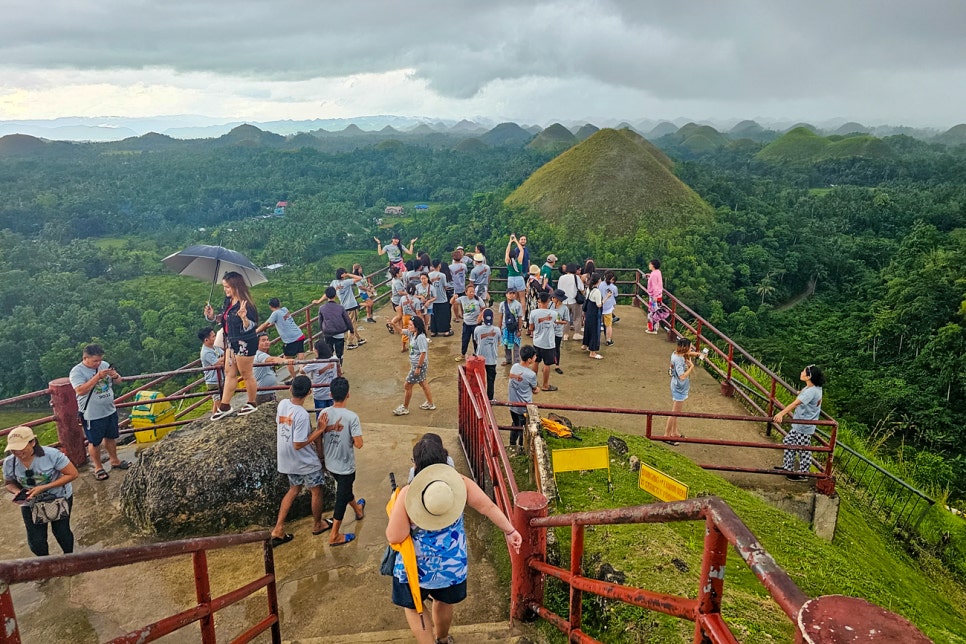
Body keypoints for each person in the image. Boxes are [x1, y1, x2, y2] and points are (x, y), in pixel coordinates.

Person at [387, 438, 522, 644]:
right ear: (445, 458)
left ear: (416, 464)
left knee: (414, 608)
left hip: (415, 568)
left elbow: (395, 536)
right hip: (451, 566)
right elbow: (488, 507)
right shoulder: (460, 483)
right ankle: (442, 639)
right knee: (443, 601)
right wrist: (510, 531)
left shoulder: (408, 494)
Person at [269, 376, 333, 547]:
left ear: (291, 389)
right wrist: (320, 430)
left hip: (286, 458)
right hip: (303, 460)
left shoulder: (283, 405)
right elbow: (298, 443)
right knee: (316, 491)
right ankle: (318, 524)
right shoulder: (302, 414)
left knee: (294, 489)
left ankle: (278, 528)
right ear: (309, 392)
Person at [4, 427, 79, 557]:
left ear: (32, 442)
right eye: (13, 449)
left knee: (61, 531)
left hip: (58, 496)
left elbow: (72, 474)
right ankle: (44, 563)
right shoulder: (10, 462)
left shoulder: (52, 455)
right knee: (35, 539)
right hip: (30, 501)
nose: (17, 452)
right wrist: (17, 492)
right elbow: (9, 483)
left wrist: (43, 487)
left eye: (20, 447)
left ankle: (69, 558)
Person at [68, 343, 131, 479]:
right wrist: (97, 377)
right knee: (94, 441)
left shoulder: (104, 365)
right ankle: (98, 467)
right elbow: (80, 390)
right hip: (92, 414)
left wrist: (114, 376)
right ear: (85, 358)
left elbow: (119, 381)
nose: (99, 363)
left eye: (100, 360)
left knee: (111, 437)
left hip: (109, 409)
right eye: (95, 361)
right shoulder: (77, 372)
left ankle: (115, 460)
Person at [206, 271, 260, 420]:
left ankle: (252, 402)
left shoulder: (246, 305)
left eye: (228, 287)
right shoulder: (228, 301)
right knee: (230, 373)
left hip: (245, 343)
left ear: (236, 286)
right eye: (224, 287)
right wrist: (212, 317)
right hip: (231, 342)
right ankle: (225, 405)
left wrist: (244, 318)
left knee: (246, 373)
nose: (226, 290)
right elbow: (225, 320)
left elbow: (252, 326)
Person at [321, 376, 366, 546]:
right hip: (346, 465)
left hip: (330, 462)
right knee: (341, 497)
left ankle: (358, 510)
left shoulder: (324, 413)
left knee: (344, 490)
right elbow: (359, 444)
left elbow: (320, 434)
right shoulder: (351, 417)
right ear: (348, 395)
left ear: (331, 394)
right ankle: (334, 535)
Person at [774, 365, 826, 481]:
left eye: (804, 371)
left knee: (803, 449)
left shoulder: (811, 392)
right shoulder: (814, 388)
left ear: (809, 377)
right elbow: (803, 393)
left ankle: (803, 473)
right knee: (788, 441)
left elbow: (795, 404)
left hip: (804, 425)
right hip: (801, 424)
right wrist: (799, 392)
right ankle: (788, 467)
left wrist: (781, 414)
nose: (801, 372)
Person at [664, 338, 703, 445]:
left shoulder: (675, 354)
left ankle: (674, 432)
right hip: (679, 387)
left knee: (676, 413)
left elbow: (688, 354)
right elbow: (682, 376)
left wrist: (698, 355)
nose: (691, 349)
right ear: (685, 348)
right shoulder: (679, 360)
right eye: (690, 347)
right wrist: (691, 367)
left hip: (676, 385)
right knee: (674, 413)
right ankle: (667, 435)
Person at [256, 298, 306, 382]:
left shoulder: (275, 313)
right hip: (299, 334)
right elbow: (283, 319)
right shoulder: (284, 309)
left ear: (270, 307)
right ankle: (303, 376)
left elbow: (265, 324)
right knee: (300, 356)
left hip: (290, 339)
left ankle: (295, 379)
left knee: (286, 360)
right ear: (279, 303)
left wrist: (256, 331)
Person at [394, 317, 435, 415]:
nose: (409, 326)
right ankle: (430, 403)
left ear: (416, 326)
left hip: (418, 365)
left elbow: (423, 353)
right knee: (423, 383)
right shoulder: (412, 333)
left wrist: (418, 367)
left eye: (411, 325)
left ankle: (405, 407)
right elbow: (400, 331)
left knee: (407, 385)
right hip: (417, 365)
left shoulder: (420, 337)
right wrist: (393, 324)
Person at [323, 268, 366, 350]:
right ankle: (349, 343)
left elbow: (327, 293)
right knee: (352, 324)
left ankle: (359, 339)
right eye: (344, 273)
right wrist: (348, 274)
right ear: (342, 274)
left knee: (351, 323)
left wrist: (319, 301)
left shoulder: (334, 283)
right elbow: (360, 278)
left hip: (344, 307)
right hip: (351, 306)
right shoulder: (346, 282)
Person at [508, 346, 539, 450]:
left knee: (515, 424)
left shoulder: (514, 367)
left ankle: (512, 444)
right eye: (534, 356)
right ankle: (521, 447)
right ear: (530, 359)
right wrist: (537, 390)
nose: (536, 357)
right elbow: (535, 388)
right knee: (524, 429)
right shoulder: (531, 374)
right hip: (524, 408)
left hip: (513, 406)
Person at [253, 333, 296, 405]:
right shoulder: (259, 354)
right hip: (263, 393)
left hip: (268, 391)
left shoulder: (262, 354)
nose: (266, 342)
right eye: (263, 340)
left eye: (267, 340)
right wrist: (286, 361)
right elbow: (272, 359)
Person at [301, 339, 340, 417]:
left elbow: (302, 371)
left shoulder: (314, 363)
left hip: (319, 394)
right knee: (333, 416)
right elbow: (339, 371)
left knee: (321, 416)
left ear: (317, 350)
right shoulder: (334, 358)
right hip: (332, 392)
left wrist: (301, 365)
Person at [529, 292, 559, 391]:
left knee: (536, 362)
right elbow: (556, 322)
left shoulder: (533, 313)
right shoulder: (554, 313)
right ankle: (545, 385)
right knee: (547, 365)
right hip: (548, 343)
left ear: (539, 301)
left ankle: (534, 383)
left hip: (537, 341)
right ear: (548, 301)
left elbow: (530, 328)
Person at [317, 286, 354, 362]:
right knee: (339, 353)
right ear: (335, 295)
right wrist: (351, 330)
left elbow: (320, 321)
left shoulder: (322, 308)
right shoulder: (340, 307)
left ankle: (330, 368)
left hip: (328, 332)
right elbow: (347, 320)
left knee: (328, 352)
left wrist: (323, 330)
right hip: (339, 332)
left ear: (326, 296)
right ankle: (339, 369)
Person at [451, 282, 485, 362]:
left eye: (473, 291)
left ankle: (477, 355)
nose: (472, 293)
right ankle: (463, 354)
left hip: (476, 324)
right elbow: (452, 303)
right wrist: (454, 297)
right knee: (465, 339)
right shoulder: (463, 299)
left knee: (476, 340)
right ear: (466, 292)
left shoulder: (478, 299)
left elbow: (483, 308)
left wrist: (480, 317)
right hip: (466, 323)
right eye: (470, 292)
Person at [474, 309, 500, 400]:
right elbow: (498, 342)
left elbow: (476, 341)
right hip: (492, 359)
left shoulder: (477, 329)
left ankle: (478, 397)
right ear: (493, 318)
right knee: (490, 380)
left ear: (482, 318)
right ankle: (490, 399)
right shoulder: (497, 330)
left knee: (479, 380)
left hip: (480, 358)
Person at [198, 327, 226, 413]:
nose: (215, 338)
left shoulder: (214, 347)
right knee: (219, 402)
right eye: (213, 336)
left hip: (219, 378)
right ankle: (221, 416)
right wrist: (225, 358)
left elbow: (223, 355)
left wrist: (223, 358)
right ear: (206, 340)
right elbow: (218, 363)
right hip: (213, 381)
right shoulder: (206, 352)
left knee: (217, 400)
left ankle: (214, 416)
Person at [557, 263, 585, 341]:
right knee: (577, 317)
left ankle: (565, 334)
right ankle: (577, 333)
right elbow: (581, 288)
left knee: (565, 318)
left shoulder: (561, 278)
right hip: (574, 300)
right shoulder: (576, 277)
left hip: (564, 301)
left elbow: (559, 289)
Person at [581, 272, 604, 360]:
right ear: (598, 281)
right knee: (595, 331)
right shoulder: (597, 291)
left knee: (588, 328)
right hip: (594, 313)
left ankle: (585, 344)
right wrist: (606, 298)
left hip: (589, 311)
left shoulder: (588, 289)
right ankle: (592, 352)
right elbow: (599, 305)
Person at [498, 288, 524, 366]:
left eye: (513, 293)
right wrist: (499, 328)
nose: (512, 295)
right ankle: (508, 359)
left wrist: (519, 329)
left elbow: (520, 318)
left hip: (515, 328)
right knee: (506, 345)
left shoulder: (518, 305)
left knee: (516, 345)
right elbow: (501, 317)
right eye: (510, 293)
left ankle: (516, 362)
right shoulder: (502, 304)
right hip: (505, 327)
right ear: (506, 294)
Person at [429, 259, 453, 336]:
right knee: (444, 315)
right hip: (442, 298)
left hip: (433, 298)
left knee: (433, 315)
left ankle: (433, 331)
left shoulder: (429, 275)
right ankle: (445, 330)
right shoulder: (442, 275)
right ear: (439, 265)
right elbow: (445, 286)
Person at [550, 289, 570, 375]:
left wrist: (558, 322)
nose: (552, 298)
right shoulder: (550, 305)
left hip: (558, 331)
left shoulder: (565, 308)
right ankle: (548, 364)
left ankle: (557, 365)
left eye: (553, 297)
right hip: (549, 330)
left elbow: (566, 321)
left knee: (556, 348)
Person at [646, 259, 664, 335]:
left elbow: (654, 286)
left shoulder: (653, 274)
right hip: (659, 295)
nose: (649, 265)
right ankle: (655, 327)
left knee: (652, 312)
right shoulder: (657, 272)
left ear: (653, 265)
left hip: (654, 296)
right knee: (656, 312)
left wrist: (655, 296)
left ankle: (652, 329)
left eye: (650, 264)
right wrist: (650, 276)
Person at [601, 270, 619, 346]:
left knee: (599, 324)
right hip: (608, 308)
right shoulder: (614, 287)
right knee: (608, 325)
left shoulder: (600, 284)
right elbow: (616, 295)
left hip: (600, 306)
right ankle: (608, 340)